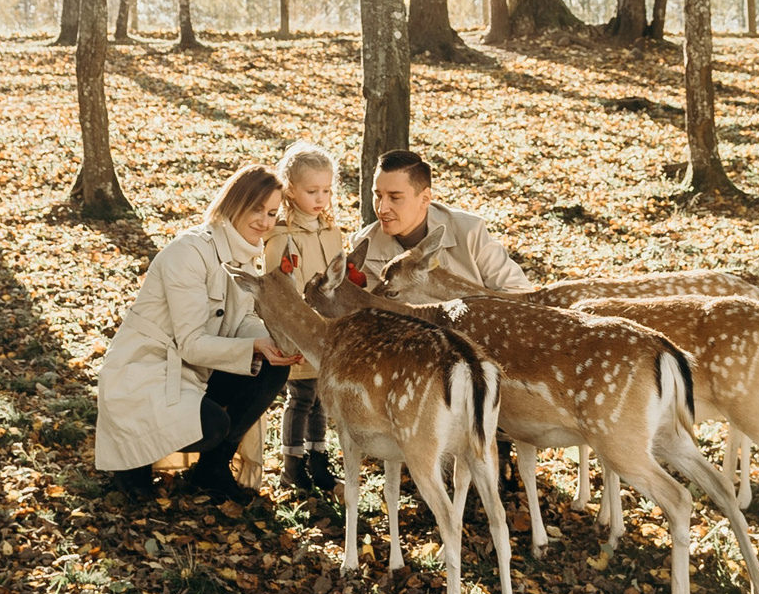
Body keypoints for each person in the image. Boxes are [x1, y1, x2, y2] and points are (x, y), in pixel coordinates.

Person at [92, 164, 292, 505]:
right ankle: (133, 461)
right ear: (234, 203)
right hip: (148, 371)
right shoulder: (189, 252)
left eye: (272, 213)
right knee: (212, 426)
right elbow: (191, 343)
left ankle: (211, 470)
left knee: (275, 366)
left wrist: (271, 342)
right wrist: (254, 345)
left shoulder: (247, 257)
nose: (264, 221)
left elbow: (244, 318)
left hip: (197, 368)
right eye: (256, 209)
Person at [267, 142, 346, 510]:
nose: (321, 199)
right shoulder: (282, 236)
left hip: (330, 330)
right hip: (300, 329)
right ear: (291, 190)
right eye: (312, 191)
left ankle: (319, 458)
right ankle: (292, 464)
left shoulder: (331, 233)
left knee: (322, 399)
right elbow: (280, 288)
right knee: (300, 397)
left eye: (327, 190)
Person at [345, 147, 529, 304]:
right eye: (377, 195)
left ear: (425, 198)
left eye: (395, 197)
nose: (382, 208)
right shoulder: (364, 246)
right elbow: (372, 311)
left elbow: (517, 292)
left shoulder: (469, 231)